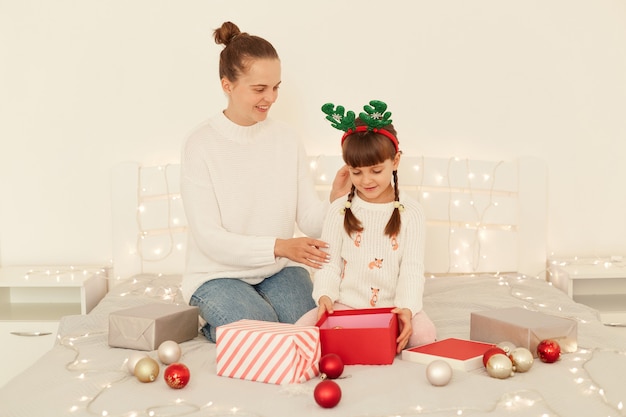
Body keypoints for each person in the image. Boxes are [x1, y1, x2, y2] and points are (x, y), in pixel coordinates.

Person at [180, 21, 350, 342]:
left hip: (279, 270)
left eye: (276, 87)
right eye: (259, 89)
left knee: (312, 332)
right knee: (264, 334)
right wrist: (279, 246)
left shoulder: (286, 139)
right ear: (227, 85)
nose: (270, 98)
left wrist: (336, 200)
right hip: (217, 275)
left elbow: (311, 222)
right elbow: (209, 238)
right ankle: (215, 324)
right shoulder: (200, 144)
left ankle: (228, 326)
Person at [296, 100, 437, 352]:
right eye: (356, 172)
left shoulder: (411, 212)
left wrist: (406, 308)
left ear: (395, 161)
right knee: (302, 330)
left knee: (425, 336)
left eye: (375, 170)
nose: (366, 180)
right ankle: (361, 337)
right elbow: (330, 263)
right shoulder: (339, 209)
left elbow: (412, 270)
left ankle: (381, 334)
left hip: (394, 308)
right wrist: (325, 296)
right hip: (347, 306)